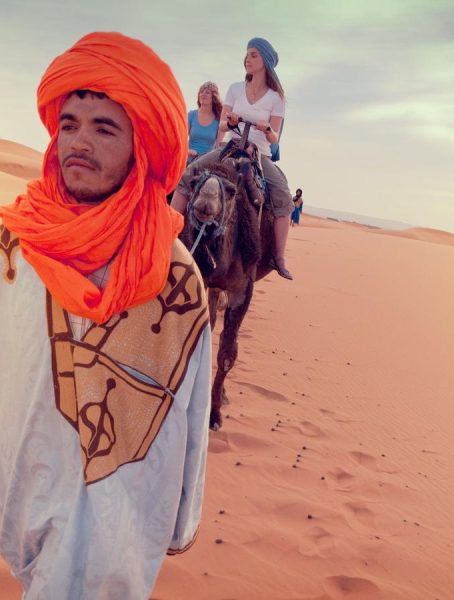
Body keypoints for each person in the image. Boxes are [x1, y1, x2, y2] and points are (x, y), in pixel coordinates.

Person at [0, 32, 212, 600]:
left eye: (104, 127)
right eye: (69, 124)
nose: (79, 142)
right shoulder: (17, 245)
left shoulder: (176, 277)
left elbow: (190, 410)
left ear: (142, 145)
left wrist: (181, 512)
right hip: (23, 489)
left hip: (115, 525)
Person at [171, 37, 295, 280]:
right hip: (230, 146)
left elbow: (275, 137)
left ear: (266, 61)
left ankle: (277, 257)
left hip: (259, 153)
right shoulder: (235, 89)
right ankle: (168, 233)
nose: (247, 59)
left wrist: (266, 129)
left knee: (283, 196)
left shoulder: (276, 98)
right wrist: (231, 122)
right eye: (247, 55)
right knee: (188, 177)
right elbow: (223, 126)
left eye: (254, 55)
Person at [186, 80, 223, 165]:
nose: (203, 94)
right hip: (188, 161)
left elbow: (218, 147)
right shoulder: (191, 115)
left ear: (214, 97)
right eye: (201, 92)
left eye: (207, 92)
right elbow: (182, 140)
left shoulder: (219, 120)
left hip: (206, 163)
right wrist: (188, 151)